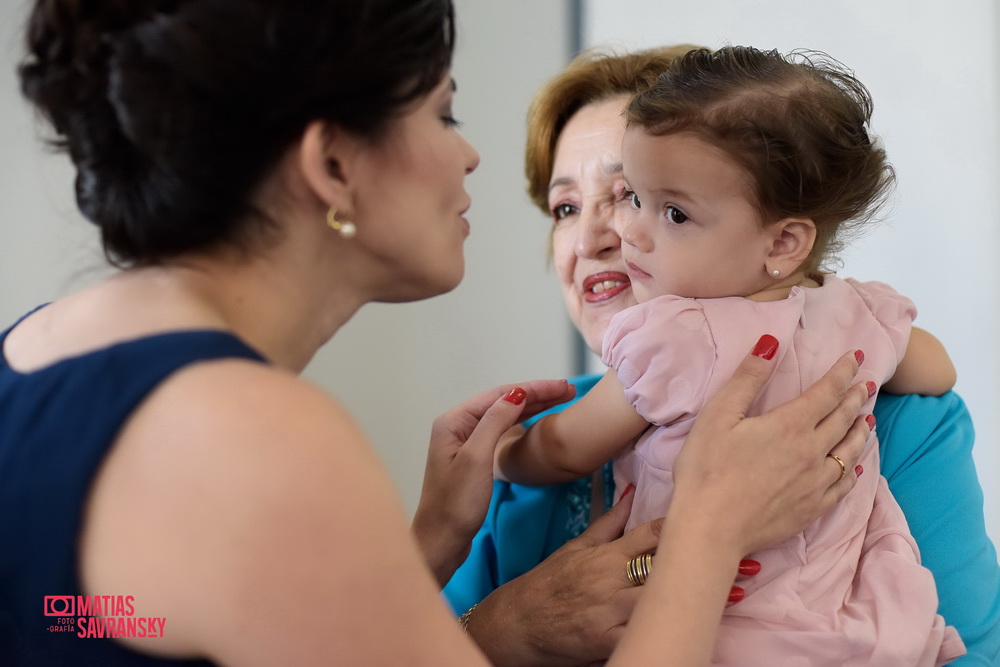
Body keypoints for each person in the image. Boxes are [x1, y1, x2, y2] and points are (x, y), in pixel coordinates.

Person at [0, 2, 876, 665]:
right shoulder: (250, 436)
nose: (470, 157)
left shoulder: (36, 350)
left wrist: (424, 547)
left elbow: (105, 620)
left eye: (658, 204)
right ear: (333, 164)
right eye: (443, 113)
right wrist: (706, 535)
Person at [446, 45, 1000, 665]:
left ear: (780, 238)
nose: (609, 234)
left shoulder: (895, 423)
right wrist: (498, 627)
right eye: (566, 208)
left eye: (641, 197)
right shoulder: (517, 463)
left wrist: (499, 455)